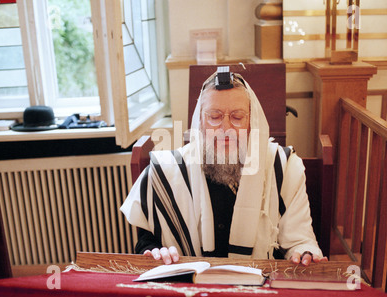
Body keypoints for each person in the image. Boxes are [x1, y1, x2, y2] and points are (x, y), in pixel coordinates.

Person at [120, 67, 327, 266]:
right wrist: (156, 251)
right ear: (200, 121)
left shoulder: (283, 168)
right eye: (214, 117)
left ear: (251, 122)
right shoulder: (165, 173)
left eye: (237, 117)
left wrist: (305, 253)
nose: (225, 128)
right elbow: (147, 243)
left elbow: (300, 241)